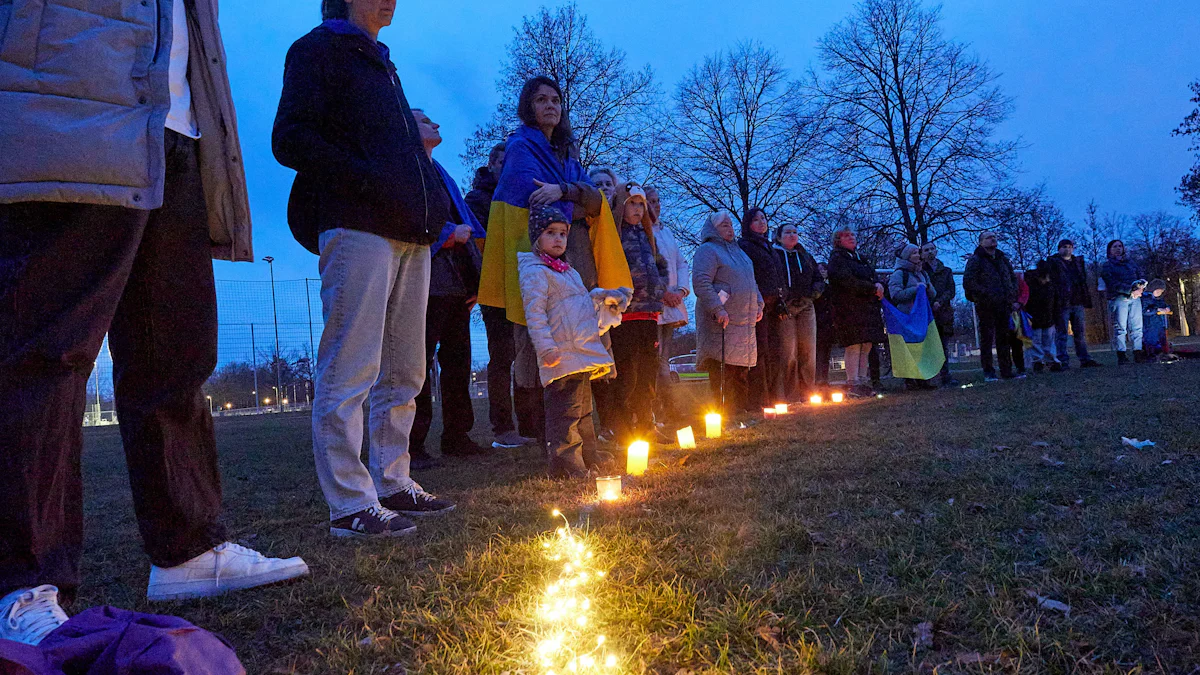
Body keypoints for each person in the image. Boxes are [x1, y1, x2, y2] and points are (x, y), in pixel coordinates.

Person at [0, 0, 310, 641]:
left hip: (177, 131)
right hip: (68, 111)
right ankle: (19, 581)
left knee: (175, 356)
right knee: (46, 353)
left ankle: (188, 550)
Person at [273, 0, 457, 539]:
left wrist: (429, 208)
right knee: (350, 364)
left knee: (406, 371)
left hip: (410, 233)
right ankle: (350, 503)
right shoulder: (316, 50)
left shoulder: (381, 63)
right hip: (357, 224)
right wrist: (365, 179)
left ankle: (393, 482)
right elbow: (290, 137)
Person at [476, 76, 631, 447]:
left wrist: (563, 190)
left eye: (556, 100)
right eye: (541, 99)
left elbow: (594, 201)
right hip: (538, 259)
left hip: (576, 258)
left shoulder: (567, 153)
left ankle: (582, 432)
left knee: (580, 339)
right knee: (543, 345)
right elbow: (529, 202)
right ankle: (549, 435)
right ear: (528, 106)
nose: (550, 105)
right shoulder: (519, 148)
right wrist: (572, 202)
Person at [518, 205, 627, 478]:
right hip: (560, 354)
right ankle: (565, 464)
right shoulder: (535, 272)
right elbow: (535, 314)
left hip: (580, 352)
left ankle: (588, 454)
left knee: (583, 412)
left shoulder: (569, 272)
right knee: (564, 413)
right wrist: (546, 348)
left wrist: (606, 306)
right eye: (550, 233)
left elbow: (583, 312)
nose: (558, 239)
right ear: (536, 238)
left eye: (563, 234)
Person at [408, 109, 489, 467]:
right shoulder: (407, 169)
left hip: (455, 283)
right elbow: (409, 217)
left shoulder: (442, 174)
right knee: (418, 363)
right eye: (426, 121)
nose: (436, 123)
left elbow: (468, 224)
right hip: (426, 280)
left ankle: (457, 435)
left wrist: (476, 279)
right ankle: (413, 443)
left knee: (458, 362)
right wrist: (447, 237)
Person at [468, 145, 537, 449]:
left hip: (523, 283)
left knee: (525, 354)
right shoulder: (478, 201)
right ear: (493, 164)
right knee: (502, 356)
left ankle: (530, 423)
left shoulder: (524, 196)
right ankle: (503, 428)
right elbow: (478, 244)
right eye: (504, 161)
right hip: (496, 286)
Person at [609, 184, 671, 446]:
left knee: (648, 373)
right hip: (626, 314)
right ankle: (623, 428)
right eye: (631, 203)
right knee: (626, 374)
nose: (636, 209)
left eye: (640, 204)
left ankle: (646, 424)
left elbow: (661, 264)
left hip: (649, 313)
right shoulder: (614, 235)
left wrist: (661, 287)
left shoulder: (648, 235)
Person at [693, 211, 764, 414]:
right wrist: (717, 308)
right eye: (724, 225)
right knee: (725, 370)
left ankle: (740, 409)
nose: (729, 228)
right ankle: (724, 411)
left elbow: (752, 282)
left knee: (740, 370)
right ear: (713, 229)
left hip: (744, 323)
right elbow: (702, 282)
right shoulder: (708, 251)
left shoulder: (740, 253)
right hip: (722, 323)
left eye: (730, 225)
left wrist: (758, 304)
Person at [645, 186, 691, 427]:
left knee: (664, 360)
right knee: (654, 362)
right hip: (654, 304)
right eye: (649, 201)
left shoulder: (666, 232)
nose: (655, 205)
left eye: (657, 200)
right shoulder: (642, 232)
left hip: (672, 303)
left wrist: (681, 290)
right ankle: (664, 412)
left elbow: (680, 263)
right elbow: (648, 267)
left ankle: (668, 411)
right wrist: (663, 293)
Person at [827, 228, 886, 398]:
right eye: (846, 236)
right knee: (853, 345)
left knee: (866, 344)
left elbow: (872, 276)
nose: (851, 238)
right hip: (849, 308)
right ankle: (852, 382)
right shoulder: (837, 259)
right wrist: (871, 288)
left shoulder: (861, 259)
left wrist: (879, 285)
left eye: (852, 235)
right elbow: (846, 281)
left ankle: (862, 379)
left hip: (866, 308)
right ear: (838, 240)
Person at [739, 208, 785, 407]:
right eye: (756, 220)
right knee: (760, 351)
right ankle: (759, 398)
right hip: (758, 304)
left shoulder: (770, 247)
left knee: (775, 350)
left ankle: (775, 396)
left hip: (774, 304)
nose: (761, 222)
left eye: (763, 219)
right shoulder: (745, 246)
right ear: (748, 224)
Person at [772, 224, 824, 399]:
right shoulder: (774, 256)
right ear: (778, 237)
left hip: (806, 306)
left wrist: (813, 294)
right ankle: (790, 394)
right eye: (787, 232)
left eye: (795, 232)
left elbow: (818, 278)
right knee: (789, 351)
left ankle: (808, 392)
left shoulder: (806, 256)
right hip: (785, 307)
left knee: (808, 350)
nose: (792, 235)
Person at [963, 232, 1023, 381]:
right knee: (987, 339)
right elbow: (969, 282)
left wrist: (1011, 293)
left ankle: (1006, 370)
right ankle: (988, 371)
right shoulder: (976, 260)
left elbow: (1011, 278)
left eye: (995, 237)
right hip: (986, 305)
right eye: (989, 237)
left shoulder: (1002, 259)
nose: (993, 239)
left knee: (1004, 339)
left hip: (1004, 304)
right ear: (981, 242)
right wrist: (985, 295)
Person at [888, 243, 937, 390]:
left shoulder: (922, 273)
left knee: (922, 347)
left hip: (921, 316)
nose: (918, 255)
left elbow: (933, 294)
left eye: (918, 252)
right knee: (909, 348)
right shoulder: (899, 274)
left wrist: (927, 287)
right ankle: (909, 379)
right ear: (907, 256)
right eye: (914, 253)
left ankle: (923, 378)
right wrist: (915, 289)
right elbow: (895, 295)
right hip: (906, 316)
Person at [1048, 239, 1101, 369]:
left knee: (1080, 333)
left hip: (1077, 301)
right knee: (1062, 334)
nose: (1067, 249)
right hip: (1062, 303)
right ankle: (1062, 360)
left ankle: (1084, 359)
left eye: (1070, 247)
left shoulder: (1078, 263)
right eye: (1065, 247)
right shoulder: (1053, 264)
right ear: (1059, 249)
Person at [1100, 239, 1147, 364]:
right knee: (1120, 327)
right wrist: (1129, 290)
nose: (1118, 248)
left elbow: (1140, 275)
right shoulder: (1107, 266)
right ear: (1110, 250)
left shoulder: (1131, 263)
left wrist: (1140, 287)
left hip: (1135, 298)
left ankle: (1138, 351)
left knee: (1137, 326)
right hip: (1119, 298)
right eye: (1115, 246)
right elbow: (1112, 283)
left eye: (1120, 246)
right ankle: (1121, 354)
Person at [920, 242, 959, 386]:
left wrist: (940, 302)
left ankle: (945, 376)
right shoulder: (920, 272)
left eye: (932, 249)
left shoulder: (946, 271)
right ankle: (928, 377)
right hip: (927, 313)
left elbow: (951, 290)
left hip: (943, 313)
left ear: (936, 251)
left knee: (943, 346)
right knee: (928, 346)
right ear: (922, 253)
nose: (929, 252)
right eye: (926, 250)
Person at [1024, 259, 1062, 373]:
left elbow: (1056, 302)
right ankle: (1041, 361)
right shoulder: (1046, 285)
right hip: (1038, 318)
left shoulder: (1047, 285)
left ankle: (1043, 361)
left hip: (1044, 318)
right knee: (1043, 341)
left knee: (1043, 341)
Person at [814, 263, 835, 388]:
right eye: (820, 269)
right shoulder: (816, 289)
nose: (822, 271)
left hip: (828, 324)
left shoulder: (829, 288)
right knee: (818, 353)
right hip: (818, 323)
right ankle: (817, 379)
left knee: (826, 353)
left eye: (824, 269)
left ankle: (824, 378)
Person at [1141, 279, 1172, 359]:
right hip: (1150, 324)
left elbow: (1165, 305)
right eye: (1158, 291)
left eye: (1161, 292)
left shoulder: (1159, 299)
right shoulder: (1145, 298)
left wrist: (1167, 308)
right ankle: (1150, 353)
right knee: (1151, 340)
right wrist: (1156, 310)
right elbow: (1144, 311)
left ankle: (1163, 352)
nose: (1159, 294)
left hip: (1160, 323)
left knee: (1162, 338)